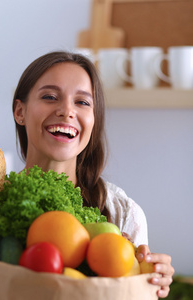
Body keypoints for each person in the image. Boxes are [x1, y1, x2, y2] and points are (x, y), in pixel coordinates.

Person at [13, 51, 174, 298]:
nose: (66, 111)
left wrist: (151, 278)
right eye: (50, 96)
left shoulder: (122, 212)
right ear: (20, 112)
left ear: (94, 119)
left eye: (82, 102)